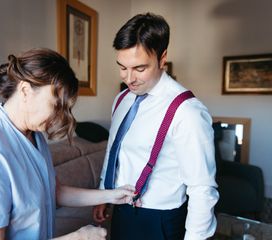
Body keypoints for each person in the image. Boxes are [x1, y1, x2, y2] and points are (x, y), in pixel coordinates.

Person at [0, 48, 136, 240]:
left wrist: (110, 195)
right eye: (56, 106)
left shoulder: (34, 135)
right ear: (25, 90)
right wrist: (78, 237)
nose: (60, 117)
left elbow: (54, 192)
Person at [93, 13, 219, 240]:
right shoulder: (122, 99)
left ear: (162, 59)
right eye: (122, 67)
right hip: (120, 210)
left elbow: (202, 188)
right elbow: (115, 151)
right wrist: (104, 194)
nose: (129, 78)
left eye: (139, 68)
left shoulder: (187, 111)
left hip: (159, 220)